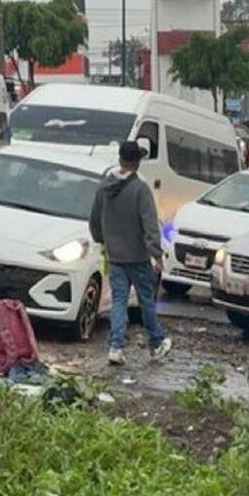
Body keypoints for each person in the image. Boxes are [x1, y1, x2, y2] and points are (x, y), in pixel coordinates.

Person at [89, 141, 171, 366]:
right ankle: (156, 343)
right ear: (137, 162)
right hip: (138, 257)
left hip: (114, 256)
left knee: (118, 301)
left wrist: (102, 240)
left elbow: (94, 220)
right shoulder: (140, 189)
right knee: (146, 301)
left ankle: (115, 347)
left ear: (120, 159)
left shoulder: (104, 187)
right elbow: (150, 225)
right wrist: (156, 254)